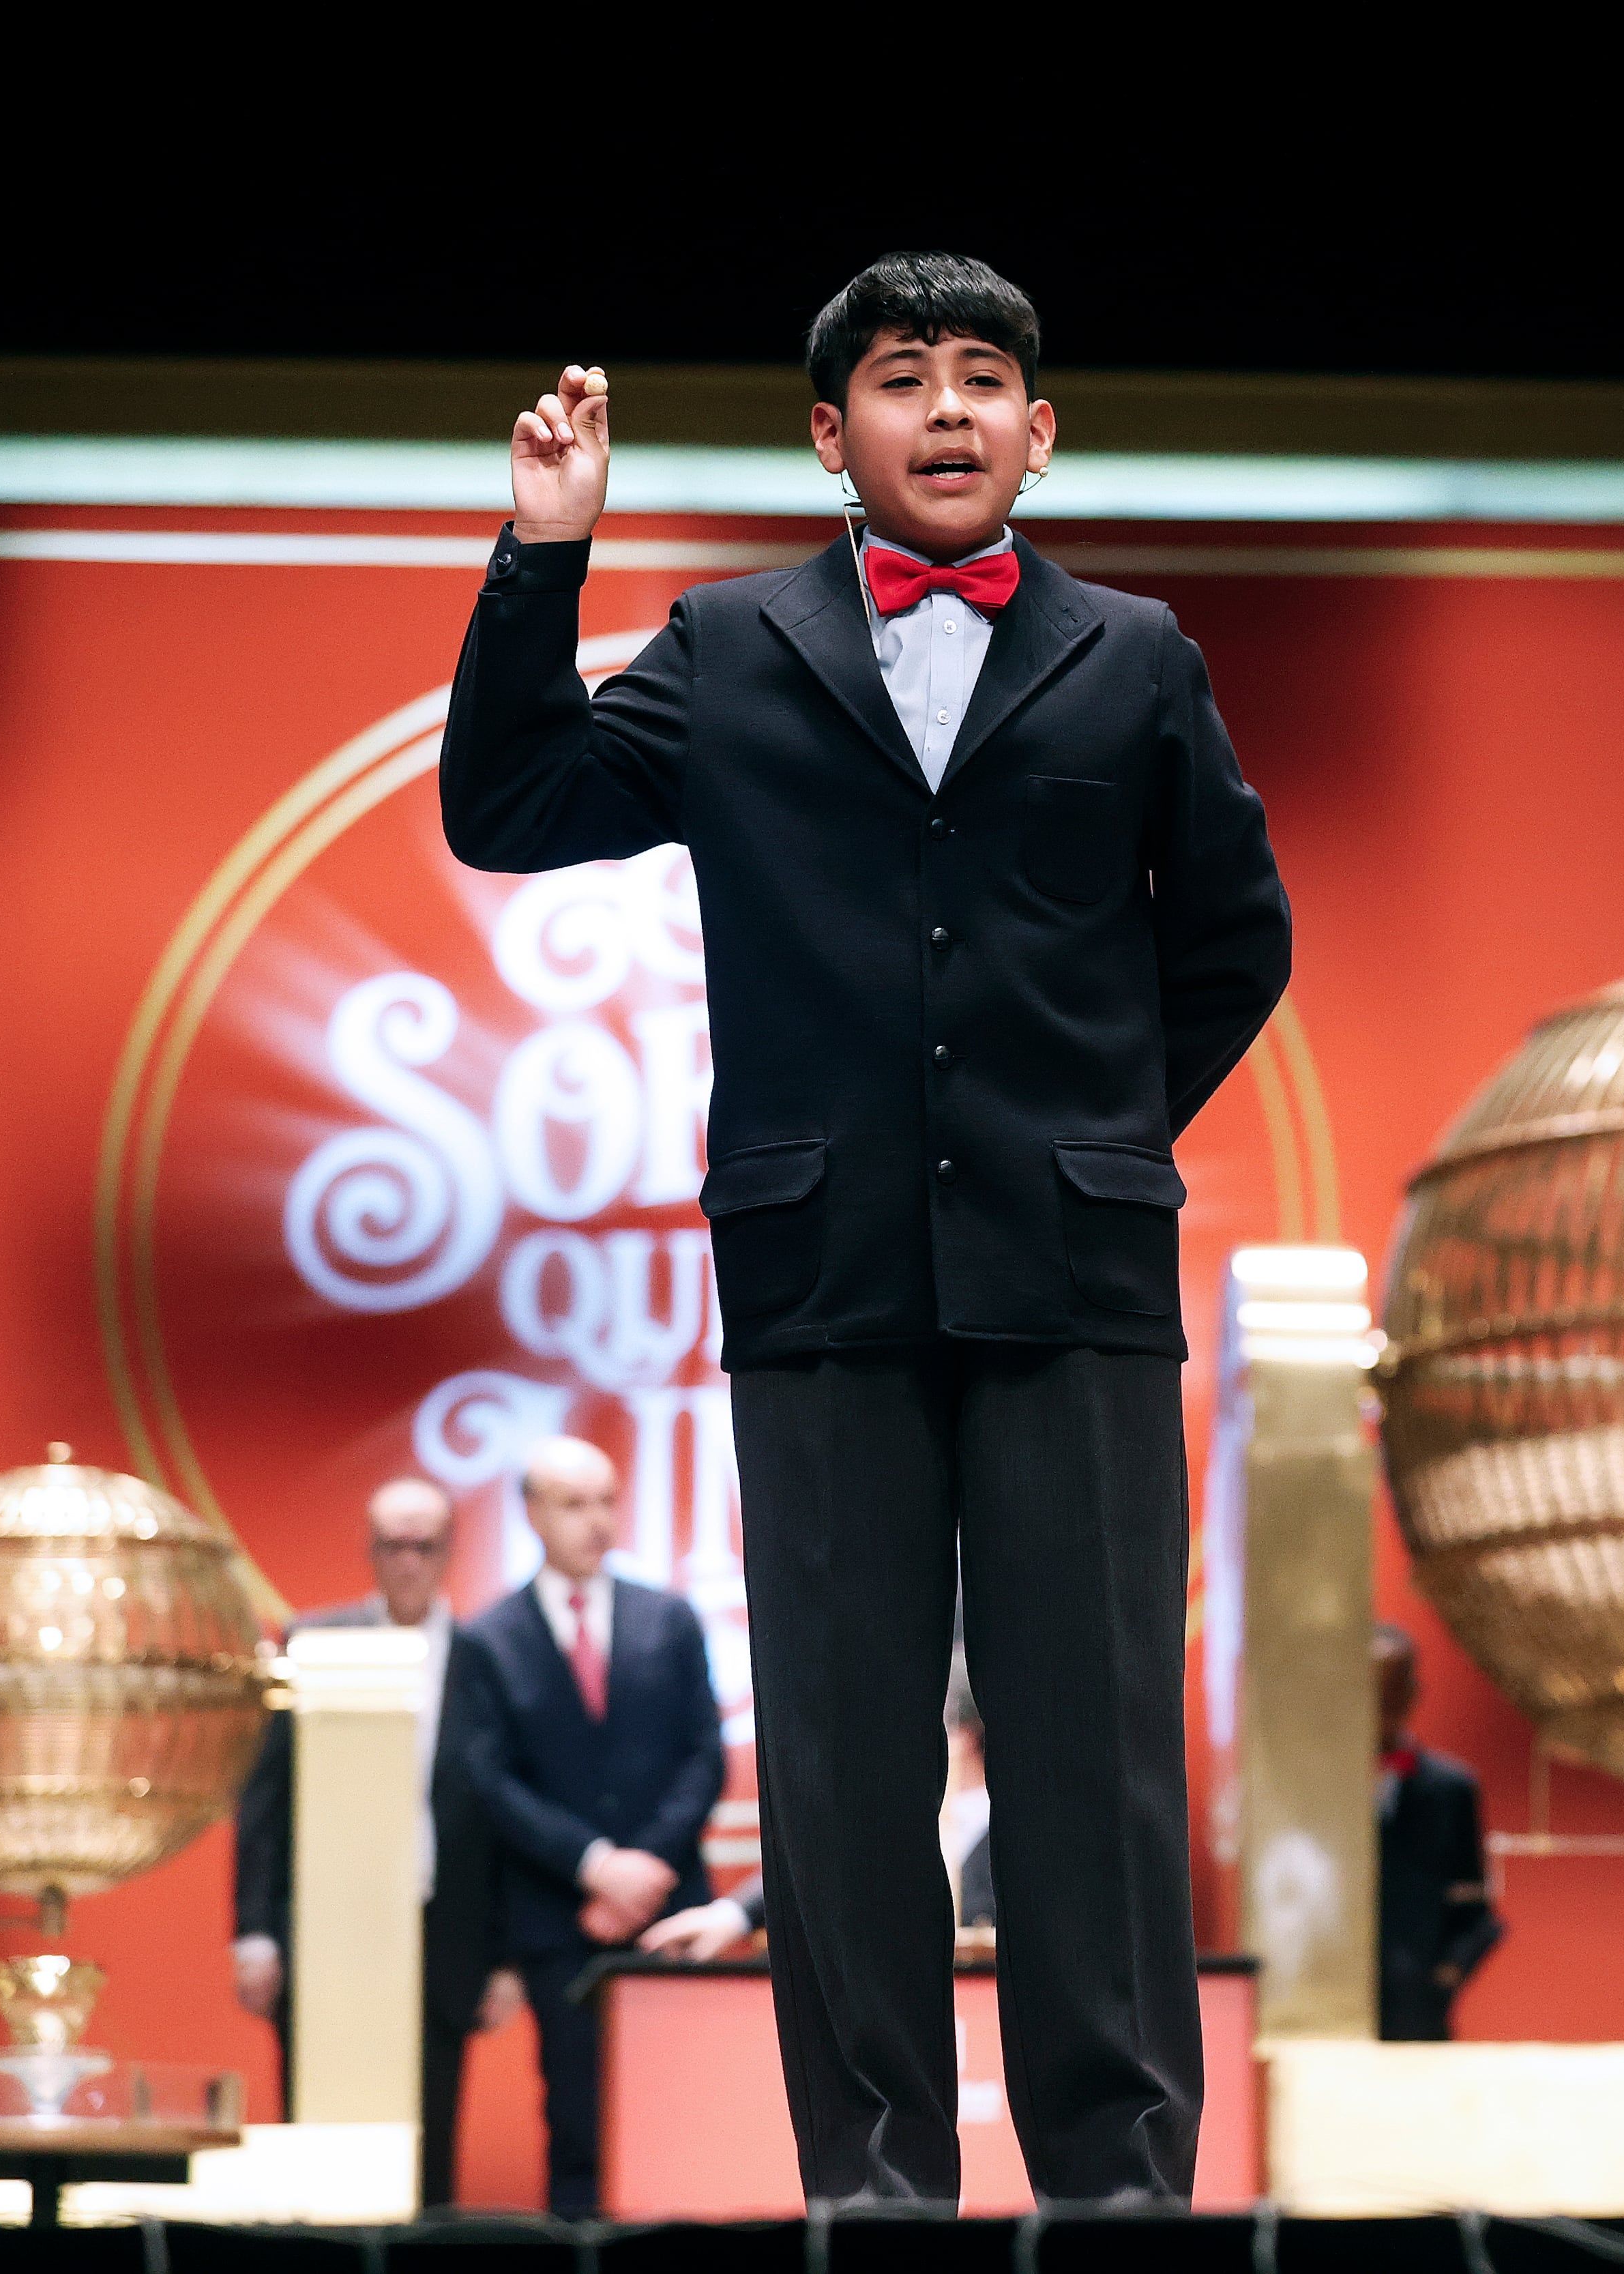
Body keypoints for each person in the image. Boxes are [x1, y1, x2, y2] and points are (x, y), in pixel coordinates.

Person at [443, 251, 1289, 2209]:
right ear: (833, 437)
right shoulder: (733, 647)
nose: (952, 410)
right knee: (838, 1761)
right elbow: (513, 800)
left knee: (1093, 1759)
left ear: (1042, 431)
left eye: (987, 377)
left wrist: (1095, 1138)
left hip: (1073, 1286)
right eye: (904, 379)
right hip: (822, 1282)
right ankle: (876, 2186)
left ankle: (1120, 2183)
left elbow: (1236, 933)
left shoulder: (1139, 655)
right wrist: (538, 557)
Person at [454, 1437, 726, 2215]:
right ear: (533, 1513)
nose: (597, 1520)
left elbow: (704, 1757)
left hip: (670, 1914)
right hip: (558, 1918)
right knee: (577, 2126)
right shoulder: (490, 1638)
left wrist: (643, 1867)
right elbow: (492, 1782)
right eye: (575, 1504)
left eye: (607, 1500)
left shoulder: (667, 1619)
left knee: (681, 2121)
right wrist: (594, 1863)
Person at [228, 1476, 514, 2209]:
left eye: (424, 1546)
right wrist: (255, 1932)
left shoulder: (492, 1660)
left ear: (449, 1551)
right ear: (371, 1552)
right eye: (393, 1545)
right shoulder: (313, 1644)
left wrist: (507, 1958)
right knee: (320, 2133)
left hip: (444, 1933)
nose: (409, 1562)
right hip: (327, 1932)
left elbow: (508, 1818)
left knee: (430, 2147)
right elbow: (265, 1799)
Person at [645, 1655, 996, 1959]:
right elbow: (815, 1865)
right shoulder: (884, 1824)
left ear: (961, 1735)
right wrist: (729, 1915)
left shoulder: (1015, 1833)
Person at [1371, 1624, 1500, 2041]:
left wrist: (1442, 1976)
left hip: (1419, 2013)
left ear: (1412, 1694)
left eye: (1391, 1693)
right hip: (1324, 2007)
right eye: (1370, 1693)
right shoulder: (1315, 1790)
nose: (1380, 1707)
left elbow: (1476, 1908)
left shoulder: (1451, 1789)